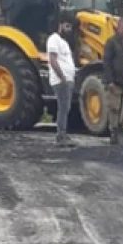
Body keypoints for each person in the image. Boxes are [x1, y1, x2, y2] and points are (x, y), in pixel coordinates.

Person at [46, 13, 77, 148]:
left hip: (67, 80)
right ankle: (61, 136)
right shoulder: (54, 39)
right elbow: (53, 60)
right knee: (63, 107)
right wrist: (63, 78)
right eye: (67, 26)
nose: (69, 29)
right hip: (60, 81)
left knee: (66, 107)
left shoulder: (64, 42)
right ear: (60, 25)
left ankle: (63, 134)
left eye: (70, 27)